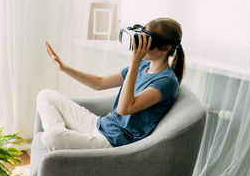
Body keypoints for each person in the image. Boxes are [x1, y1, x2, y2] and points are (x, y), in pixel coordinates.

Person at [37, 17, 184, 150]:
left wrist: (134, 63)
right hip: (101, 124)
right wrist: (64, 68)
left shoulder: (166, 82)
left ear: (166, 48)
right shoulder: (143, 66)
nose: (140, 44)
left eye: (147, 41)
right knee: (46, 95)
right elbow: (99, 83)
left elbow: (124, 109)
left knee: (50, 137)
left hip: (113, 141)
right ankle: (63, 141)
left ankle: (61, 140)